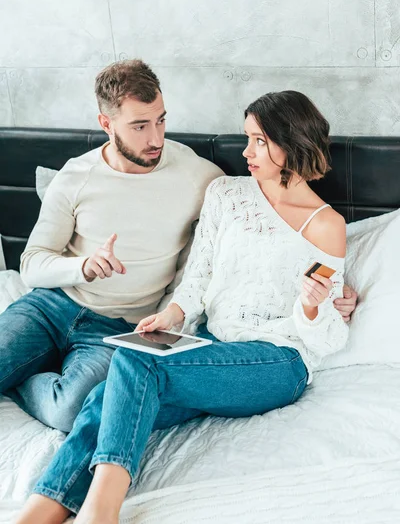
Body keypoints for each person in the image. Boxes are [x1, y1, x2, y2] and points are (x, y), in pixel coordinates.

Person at [16, 90, 354, 524]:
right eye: (246, 138)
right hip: (210, 345)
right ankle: (42, 509)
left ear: (291, 143)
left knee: (138, 362)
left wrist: (311, 309)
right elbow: (198, 276)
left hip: (278, 360)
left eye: (259, 141)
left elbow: (329, 335)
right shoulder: (226, 194)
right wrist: (172, 316)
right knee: (104, 396)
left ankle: (101, 512)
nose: (246, 151)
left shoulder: (326, 225)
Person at [0, 59, 223, 432]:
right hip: (51, 305)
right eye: (139, 126)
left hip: (118, 328)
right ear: (106, 124)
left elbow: (261, 215)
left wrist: (324, 277)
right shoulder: (76, 176)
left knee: (70, 413)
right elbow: (32, 264)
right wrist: (83, 266)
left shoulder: (197, 174)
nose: (156, 138)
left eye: (161, 120)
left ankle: (24, 375)